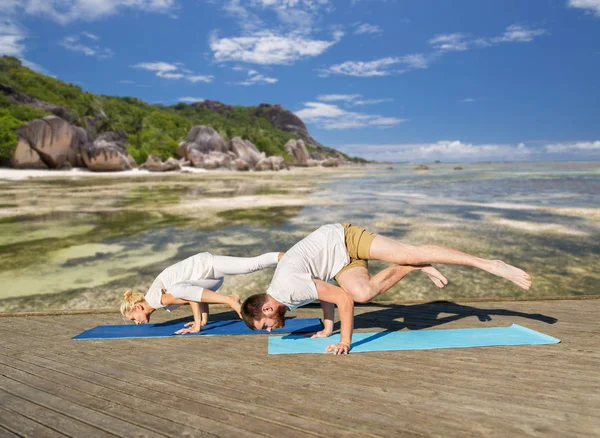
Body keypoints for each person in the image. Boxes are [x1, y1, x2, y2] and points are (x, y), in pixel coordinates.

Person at [241, 223, 532, 354]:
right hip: (338, 265)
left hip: (344, 238)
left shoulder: (286, 288)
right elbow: (323, 291)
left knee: (411, 253)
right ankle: (413, 267)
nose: (270, 329)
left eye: (265, 325)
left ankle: (488, 264)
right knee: (364, 293)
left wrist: (344, 341)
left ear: (267, 308)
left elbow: (341, 298)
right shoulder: (283, 297)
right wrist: (327, 329)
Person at [121, 251, 283, 334]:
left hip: (207, 265)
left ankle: (230, 300)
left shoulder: (154, 300)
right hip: (207, 277)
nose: (137, 322)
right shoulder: (156, 297)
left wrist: (197, 326)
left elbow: (191, 298)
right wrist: (204, 320)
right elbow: (196, 295)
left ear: (138, 308)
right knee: (250, 265)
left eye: (133, 319)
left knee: (178, 289)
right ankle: (230, 298)